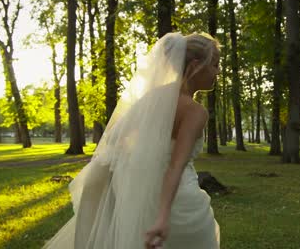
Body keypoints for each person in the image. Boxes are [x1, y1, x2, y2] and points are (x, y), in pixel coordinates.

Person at [42, 32, 221, 249]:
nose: (217, 71)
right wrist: (163, 216)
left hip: (140, 199)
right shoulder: (195, 112)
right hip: (178, 202)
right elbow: (176, 166)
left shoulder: (152, 99)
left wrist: (132, 174)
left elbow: (114, 141)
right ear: (195, 65)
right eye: (214, 64)